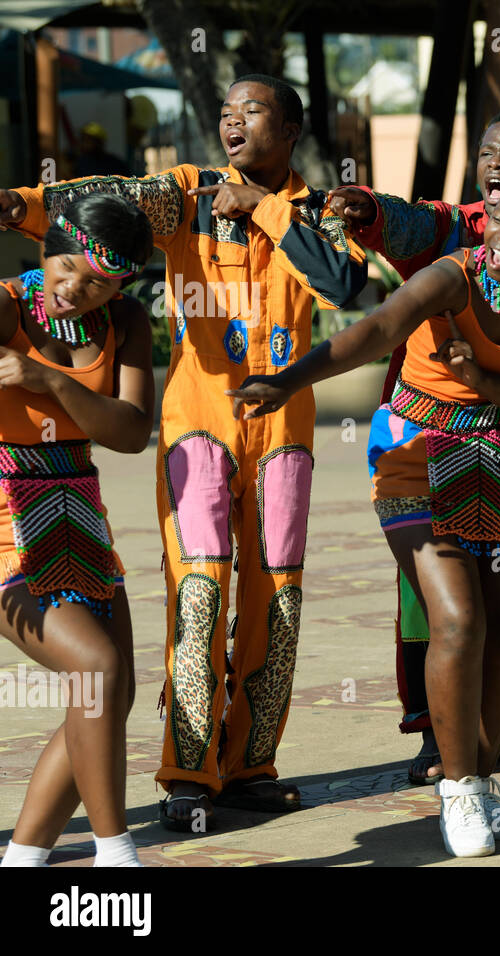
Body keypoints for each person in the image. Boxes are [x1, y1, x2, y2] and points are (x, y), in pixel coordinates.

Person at [1, 73, 368, 830]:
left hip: (284, 437)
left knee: (281, 595)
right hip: (199, 424)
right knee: (199, 593)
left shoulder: (313, 210)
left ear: (291, 128)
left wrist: (264, 210)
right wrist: (26, 205)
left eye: (252, 112)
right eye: (226, 113)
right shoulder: (189, 193)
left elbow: (346, 285)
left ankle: (251, 766)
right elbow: (115, 199)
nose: (233, 124)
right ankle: (187, 773)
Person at [230, 167, 500, 857]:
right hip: (417, 453)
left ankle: (482, 785)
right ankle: (455, 793)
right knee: (459, 618)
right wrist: (288, 378)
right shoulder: (454, 276)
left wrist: (482, 379)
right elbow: (378, 330)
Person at [327, 108, 500, 782]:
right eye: (487, 153)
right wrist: (361, 207)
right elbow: (397, 220)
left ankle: (483, 744)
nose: (496, 167)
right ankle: (437, 736)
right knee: (437, 602)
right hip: (423, 447)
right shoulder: (452, 230)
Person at [0, 194, 154, 866]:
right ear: (46, 248)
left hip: (81, 516)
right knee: (97, 668)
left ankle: (25, 856)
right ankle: (114, 853)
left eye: (96, 282)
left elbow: (127, 432)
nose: (74, 289)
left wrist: (50, 382)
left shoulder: (126, 320)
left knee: (110, 694)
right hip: (8, 518)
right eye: (67, 267)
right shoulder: (6, 306)